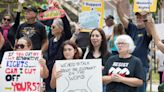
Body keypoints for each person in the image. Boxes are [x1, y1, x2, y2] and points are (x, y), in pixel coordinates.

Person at [113, 0, 152, 92]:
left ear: (145, 19)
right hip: (129, 64)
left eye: (141, 17)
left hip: (142, 65)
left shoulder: (147, 30)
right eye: (137, 17)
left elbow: (151, 30)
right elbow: (122, 17)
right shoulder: (132, 28)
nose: (139, 18)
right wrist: (118, 5)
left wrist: (146, 17)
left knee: (140, 89)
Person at [45, 10, 72, 92]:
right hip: (49, 71)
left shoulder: (64, 38)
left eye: (54, 27)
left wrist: (61, 11)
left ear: (60, 29)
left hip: (60, 71)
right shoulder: (51, 39)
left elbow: (66, 25)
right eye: (51, 27)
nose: (51, 29)